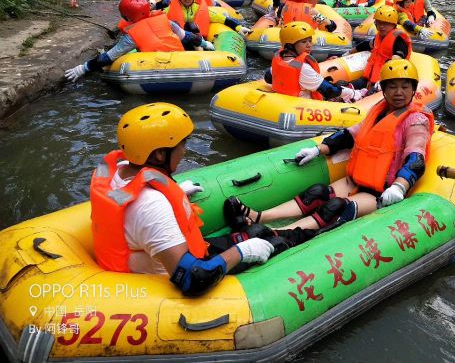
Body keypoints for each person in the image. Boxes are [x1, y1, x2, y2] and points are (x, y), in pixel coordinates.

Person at [91, 102, 317, 296]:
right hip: (172, 276)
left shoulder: (118, 171)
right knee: (272, 243)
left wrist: (176, 192)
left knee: (257, 232)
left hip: (159, 255)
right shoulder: (151, 205)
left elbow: (133, 207)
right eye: (182, 144)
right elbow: (193, 279)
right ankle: (315, 227)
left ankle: (253, 230)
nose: (185, 151)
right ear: (159, 154)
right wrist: (241, 252)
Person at [229, 59, 433, 230]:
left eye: (405, 87)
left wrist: (399, 186)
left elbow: (415, 159)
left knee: (334, 207)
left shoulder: (415, 121)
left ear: (413, 89)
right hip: (357, 179)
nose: (399, 92)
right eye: (393, 86)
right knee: (316, 193)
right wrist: (318, 149)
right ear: (385, 90)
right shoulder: (379, 111)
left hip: (382, 191)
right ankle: (259, 216)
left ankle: (281, 232)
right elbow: (349, 135)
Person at [64, 0, 213, 83]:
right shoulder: (165, 20)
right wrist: (206, 44)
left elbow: (107, 57)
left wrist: (83, 68)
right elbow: (188, 36)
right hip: (183, 62)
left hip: (153, 68)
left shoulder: (131, 36)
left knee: (108, 63)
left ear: (127, 17)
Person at [266, 21, 364, 102]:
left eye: (310, 40)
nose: (309, 45)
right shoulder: (303, 68)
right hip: (302, 107)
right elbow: (329, 91)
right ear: (290, 45)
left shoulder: (279, 59)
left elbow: (268, 78)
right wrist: (354, 93)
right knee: (340, 86)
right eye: (303, 42)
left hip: (282, 102)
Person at [348, 5, 412, 89]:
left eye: (386, 24)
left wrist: (383, 80)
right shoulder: (380, 37)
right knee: (344, 87)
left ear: (393, 25)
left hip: (385, 83)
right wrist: (348, 52)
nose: (382, 26)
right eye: (379, 23)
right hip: (369, 79)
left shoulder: (399, 40)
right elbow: (366, 44)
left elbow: (396, 60)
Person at [163, 0, 244, 38]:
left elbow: (221, 18)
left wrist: (238, 27)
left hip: (196, 39)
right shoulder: (170, 8)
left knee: (192, 26)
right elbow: (160, 18)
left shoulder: (198, 8)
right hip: (178, 38)